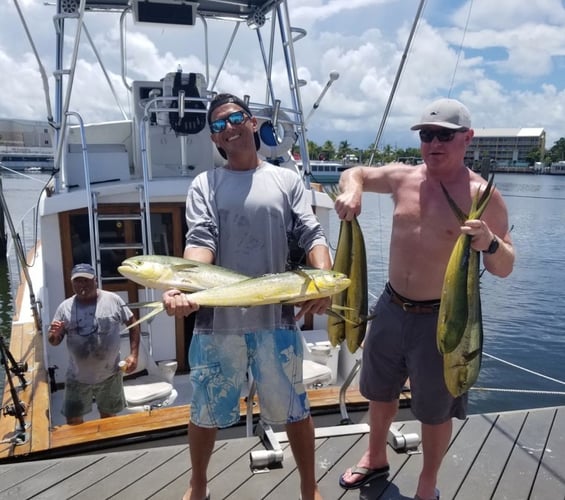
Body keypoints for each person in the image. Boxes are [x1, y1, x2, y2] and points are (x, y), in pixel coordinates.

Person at [335, 98, 515, 499]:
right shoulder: (403, 178)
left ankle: (427, 484)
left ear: (466, 138)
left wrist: (490, 243)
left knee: (435, 411)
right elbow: (355, 172)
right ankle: (374, 457)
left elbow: (506, 266)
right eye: (427, 135)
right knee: (379, 392)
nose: (434, 142)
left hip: (445, 320)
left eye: (444, 135)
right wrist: (352, 192)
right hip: (390, 307)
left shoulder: (482, 195)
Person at [163, 93, 331, 500]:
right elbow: (200, 240)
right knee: (204, 412)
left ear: (252, 122)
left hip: (276, 320)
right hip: (217, 324)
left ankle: (310, 488)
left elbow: (311, 233)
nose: (228, 128)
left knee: (295, 409)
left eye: (234, 118)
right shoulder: (206, 183)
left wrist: (324, 277)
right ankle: (198, 485)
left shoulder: (286, 179)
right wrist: (185, 287)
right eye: (218, 126)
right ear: (215, 140)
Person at [47, 263, 140, 425]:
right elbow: (54, 342)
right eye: (78, 281)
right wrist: (53, 334)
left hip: (110, 375)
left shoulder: (113, 300)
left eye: (86, 280)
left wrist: (133, 354)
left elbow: (133, 324)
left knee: (109, 420)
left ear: (95, 280)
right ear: (72, 283)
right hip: (77, 378)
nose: (82, 285)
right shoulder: (64, 307)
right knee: (73, 423)